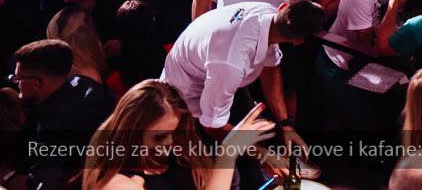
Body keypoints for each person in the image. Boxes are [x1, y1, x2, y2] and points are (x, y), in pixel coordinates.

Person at [161, 0, 323, 154]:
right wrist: (263, 156)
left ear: (282, 6)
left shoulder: (266, 11)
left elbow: (270, 67)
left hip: (212, 74)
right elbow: (213, 126)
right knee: (220, 162)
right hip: (185, 97)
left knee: (255, 132)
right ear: (298, 41)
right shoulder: (231, 64)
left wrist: (285, 124)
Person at [81, 79, 277, 190]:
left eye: (174, 132)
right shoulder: (116, 183)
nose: (170, 142)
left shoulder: (175, 158)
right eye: (159, 136)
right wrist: (228, 152)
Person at [13, 38, 112, 190]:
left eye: (17, 78)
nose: (16, 83)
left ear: (36, 84)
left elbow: (43, 184)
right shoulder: (85, 84)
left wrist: (8, 178)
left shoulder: (52, 122)